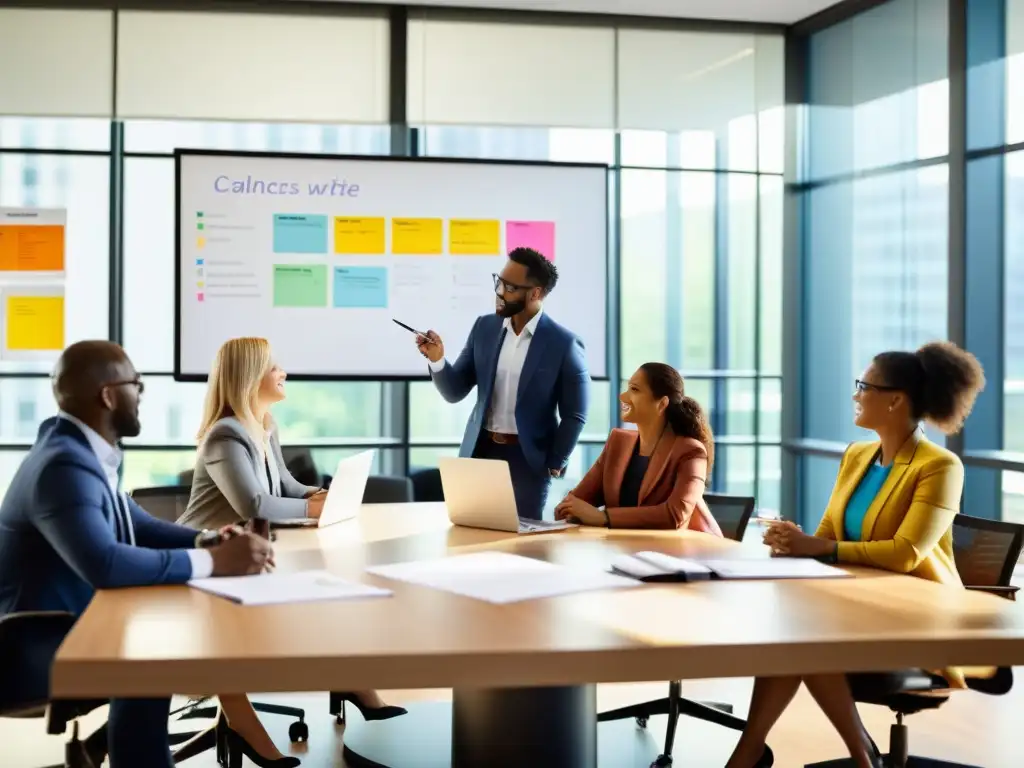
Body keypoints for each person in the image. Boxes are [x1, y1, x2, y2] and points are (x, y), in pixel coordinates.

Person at [0, 341, 277, 768]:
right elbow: (105, 563)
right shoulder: (63, 466)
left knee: (155, 645)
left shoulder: (85, 450)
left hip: (78, 621)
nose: (142, 394)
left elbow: (138, 525)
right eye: (136, 384)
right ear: (108, 396)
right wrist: (213, 564)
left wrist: (207, 541)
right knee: (152, 654)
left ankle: (133, 751)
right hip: (33, 648)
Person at [726, 341, 986, 768]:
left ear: (895, 400)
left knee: (807, 640)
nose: (855, 394)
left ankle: (822, 756)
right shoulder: (857, 455)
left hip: (920, 620)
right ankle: (816, 754)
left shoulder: (939, 466)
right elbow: (829, 534)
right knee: (797, 635)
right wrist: (794, 542)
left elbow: (906, 553)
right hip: (856, 609)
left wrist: (821, 547)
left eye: (864, 385)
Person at [178, 337, 406, 724]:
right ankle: (345, 683)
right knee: (318, 594)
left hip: (246, 554)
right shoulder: (224, 435)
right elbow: (253, 503)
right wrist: (312, 509)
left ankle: (352, 680)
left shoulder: (263, 426)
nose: (283, 373)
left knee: (332, 591)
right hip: (211, 560)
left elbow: (283, 485)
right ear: (249, 377)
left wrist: (320, 495)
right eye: (273, 367)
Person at [415, 247, 589, 519]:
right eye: (499, 281)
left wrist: (556, 461)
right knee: (471, 532)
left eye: (510, 287)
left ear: (535, 293)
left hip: (528, 460)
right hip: (481, 451)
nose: (499, 291)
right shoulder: (484, 328)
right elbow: (455, 390)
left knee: (521, 542)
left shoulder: (563, 344)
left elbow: (575, 414)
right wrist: (437, 360)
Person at [555, 363, 722, 533]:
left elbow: (675, 515)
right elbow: (570, 505)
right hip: (619, 548)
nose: (623, 396)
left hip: (671, 553)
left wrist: (603, 517)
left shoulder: (691, 452)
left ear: (662, 404)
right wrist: (573, 510)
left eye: (634, 390)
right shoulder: (618, 442)